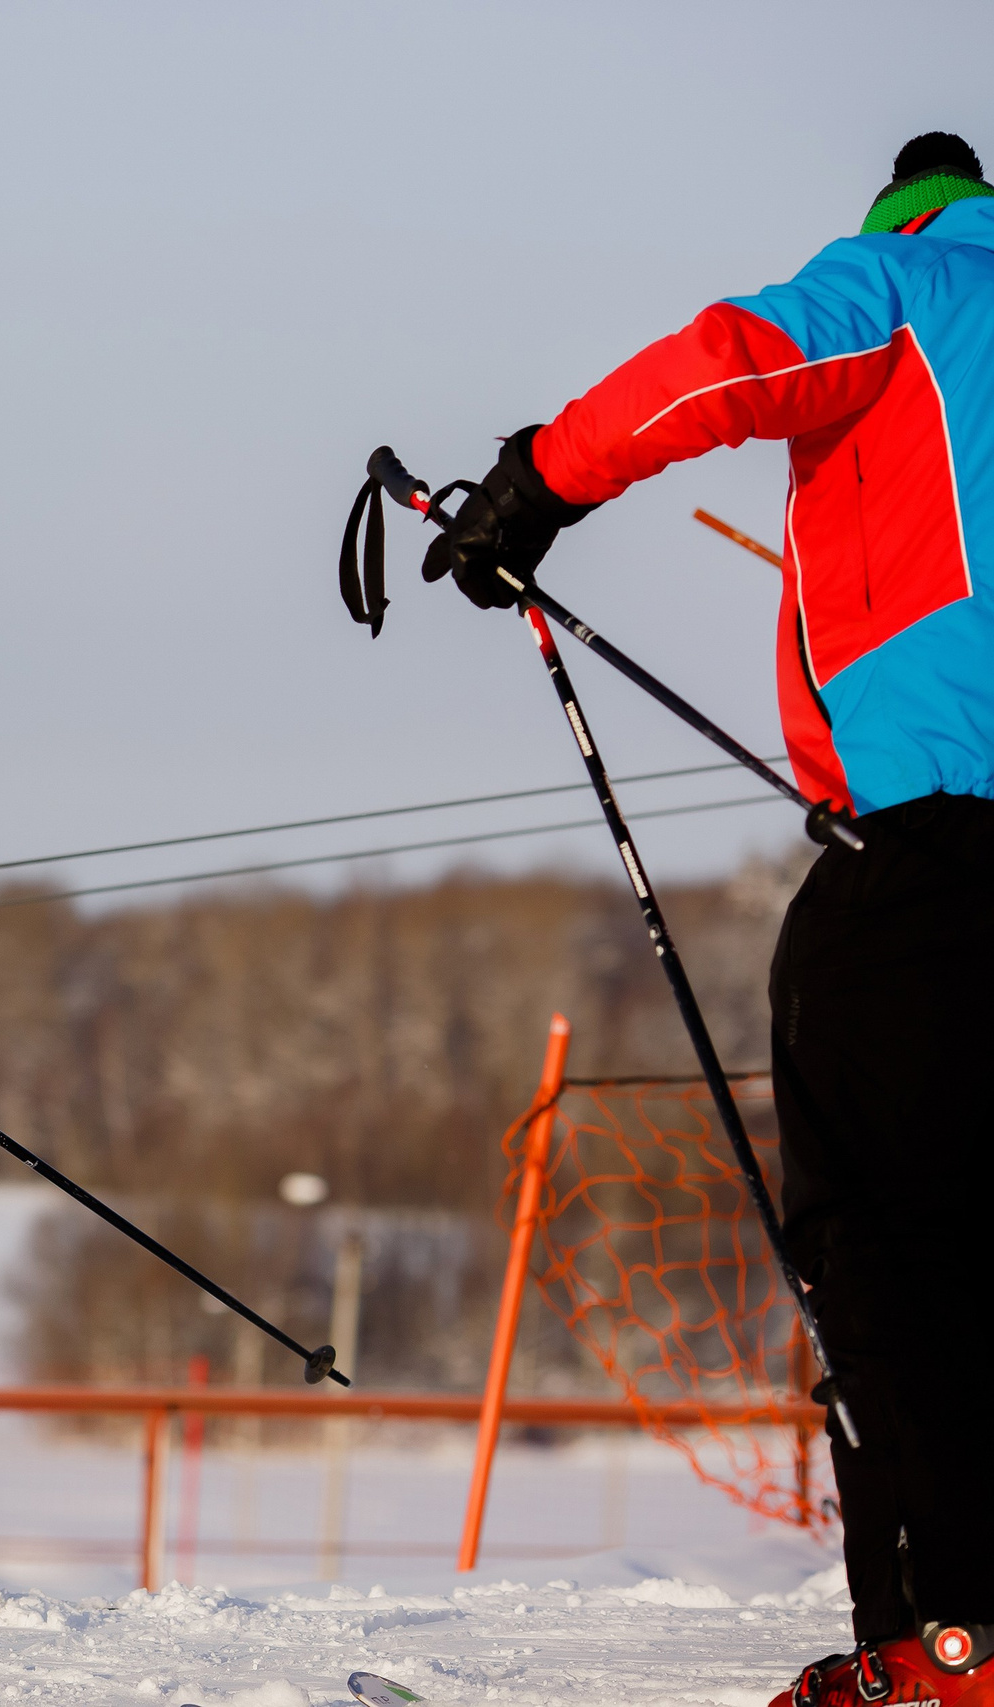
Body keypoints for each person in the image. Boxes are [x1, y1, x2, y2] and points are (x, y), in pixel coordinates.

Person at [421, 134, 994, 1707]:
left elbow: (726, 366)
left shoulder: (908, 285)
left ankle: (947, 1649)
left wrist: (537, 484)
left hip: (934, 857)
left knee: (889, 1252)